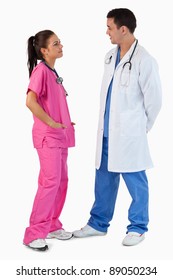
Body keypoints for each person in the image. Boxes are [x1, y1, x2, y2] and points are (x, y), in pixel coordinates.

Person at [73, 8, 162, 246]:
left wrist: (141, 127)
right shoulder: (110, 56)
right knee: (103, 177)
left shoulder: (145, 60)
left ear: (123, 29)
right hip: (107, 132)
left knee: (136, 180)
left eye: (110, 27)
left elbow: (155, 101)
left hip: (130, 134)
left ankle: (138, 227)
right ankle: (97, 224)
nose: (106, 32)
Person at [23, 30, 75, 251]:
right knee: (49, 183)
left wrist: (64, 122)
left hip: (60, 137)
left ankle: (52, 225)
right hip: (48, 138)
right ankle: (34, 233)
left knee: (61, 182)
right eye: (56, 43)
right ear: (44, 50)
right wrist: (52, 123)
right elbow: (30, 101)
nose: (61, 46)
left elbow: (52, 103)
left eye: (60, 42)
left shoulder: (53, 72)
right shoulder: (41, 71)